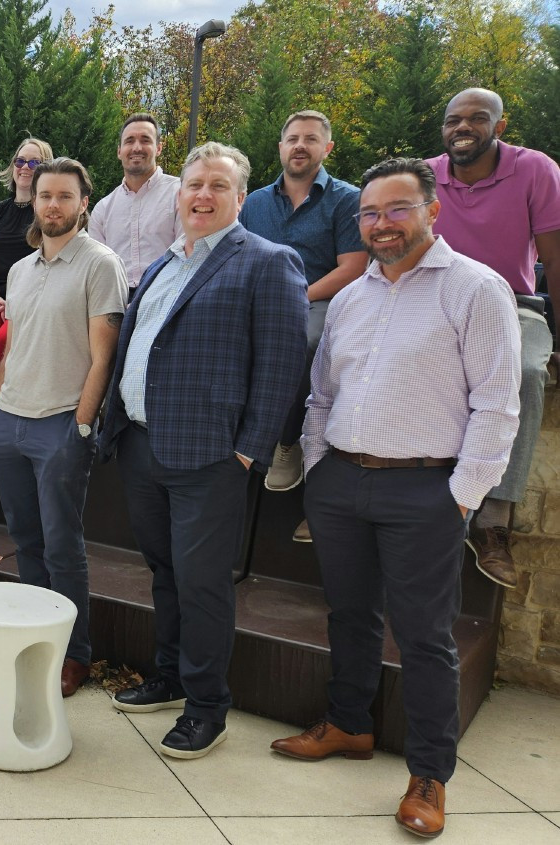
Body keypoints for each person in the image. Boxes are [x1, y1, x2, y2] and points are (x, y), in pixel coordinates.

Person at [273, 158, 519, 839]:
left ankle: (430, 772)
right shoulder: (353, 296)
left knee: (424, 636)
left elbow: (498, 406)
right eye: (370, 213)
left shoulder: (475, 290)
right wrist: (319, 466)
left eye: (397, 209)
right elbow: (323, 391)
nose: (381, 224)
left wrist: (461, 497)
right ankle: (350, 724)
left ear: (432, 211)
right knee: (348, 613)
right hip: (342, 479)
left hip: (426, 487)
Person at [99, 142, 307, 759]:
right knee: (164, 574)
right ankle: (168, 675)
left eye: (218, 185)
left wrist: (248, 452)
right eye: (194, 184)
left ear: (240, 198)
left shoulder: (269, 262)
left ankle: (207, 705)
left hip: (210, 459)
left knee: (202, 585)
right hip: (141, 447)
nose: (203, 195)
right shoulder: (165, 263)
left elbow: (282, 367)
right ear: (180, 192)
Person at [0, 158, 127, 695]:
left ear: (83, 203)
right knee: (26, 539)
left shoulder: (99, 264)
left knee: (62, 546)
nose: (53, 205)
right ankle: (36, 638)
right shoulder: (20, 269)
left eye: (65, 196)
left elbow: (102, 359)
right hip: (9, 424)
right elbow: (13, 346)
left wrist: (82, 427)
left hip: (60, 427)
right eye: (46, 195)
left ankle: (74, 655)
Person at [427, 88, 560, 588]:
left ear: (499, 126)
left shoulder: (535, 170)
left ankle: (493, 521)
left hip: (514, 304)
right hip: (440, 304)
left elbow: (555, 258)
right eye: (453, 119)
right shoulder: (425, 175)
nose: (463, 127)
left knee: (525, 373)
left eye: (477, 119)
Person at [240, 110, 366, 528]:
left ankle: (286, 440)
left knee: (304, 340)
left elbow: (351, 267)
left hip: (319, 301)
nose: (300, 145)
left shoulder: (347, 199)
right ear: (280, 147)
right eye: (292, 138)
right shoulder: (255, 202)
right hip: (257, 298)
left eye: (310, 139)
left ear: (327, 148)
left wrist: (295, 296)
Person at [88, 113, 182, 289]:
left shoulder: (180, 194)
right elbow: (97, 268)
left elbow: (187, 255)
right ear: (119, 151)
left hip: (168, 296)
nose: (137, 147)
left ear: (159, 148)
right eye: (129, 141)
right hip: (117, 303)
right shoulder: (103, 209)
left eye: (145, 140)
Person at [0, 137, 53, 310]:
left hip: (33, 302)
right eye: (20, 161)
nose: (25, 167)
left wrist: (16, 303)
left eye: (34, 163)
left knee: (0, 339)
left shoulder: (48, 213)